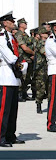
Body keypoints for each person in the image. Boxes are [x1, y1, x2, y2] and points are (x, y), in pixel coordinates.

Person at [0, 11, 28, 147]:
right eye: (10, 21)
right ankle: (1, 137)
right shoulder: (1, 38)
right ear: (5, 23)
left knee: (12, 110)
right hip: (5, 75)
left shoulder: (12, 37)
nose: (13, 23)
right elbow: (10, 57)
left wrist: (22, 63)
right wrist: (21, 64)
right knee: (4, 110)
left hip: (13, 76)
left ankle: (10, 135)